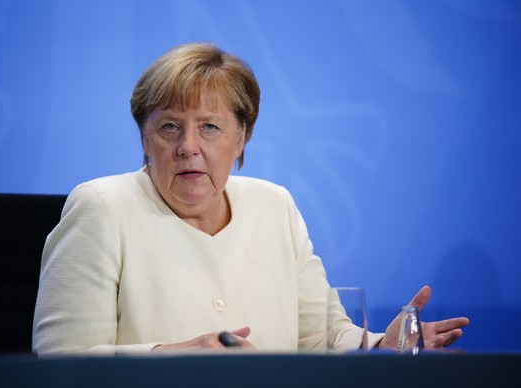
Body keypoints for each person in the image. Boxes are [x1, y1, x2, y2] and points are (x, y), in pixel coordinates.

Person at [32, 43, 468, 354]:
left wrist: (381, 344)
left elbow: (322, 337)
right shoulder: (102, 208)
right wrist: (173, 355)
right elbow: (60, 361)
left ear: (241, 138)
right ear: (145, 137)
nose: (187, 146)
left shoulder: (274, 206)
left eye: (209, 127)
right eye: (169, 127)